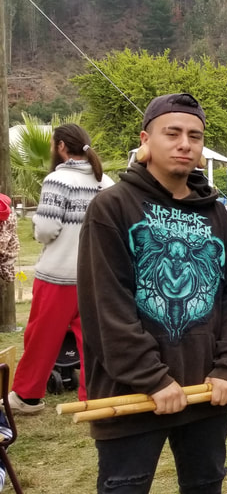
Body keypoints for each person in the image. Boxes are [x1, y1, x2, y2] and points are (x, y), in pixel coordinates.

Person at [78, 93, 227, 492]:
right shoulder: (112, 207)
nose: (184, 144)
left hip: (207, 392)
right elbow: (106, 304)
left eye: (194, 136)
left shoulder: (216, 215)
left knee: (205, 484)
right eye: (172, 133)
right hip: (131, 395)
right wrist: (152, 378)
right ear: (146, 140)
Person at [9, 124, 113, 413]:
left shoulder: (57, 180)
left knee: (41, 337)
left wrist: (36, 224)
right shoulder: (106, 182)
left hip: (58, 275)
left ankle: (28, 397)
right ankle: (94, 398)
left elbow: (46, 230)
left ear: (62, 146)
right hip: (97, 276)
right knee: (94, 341)